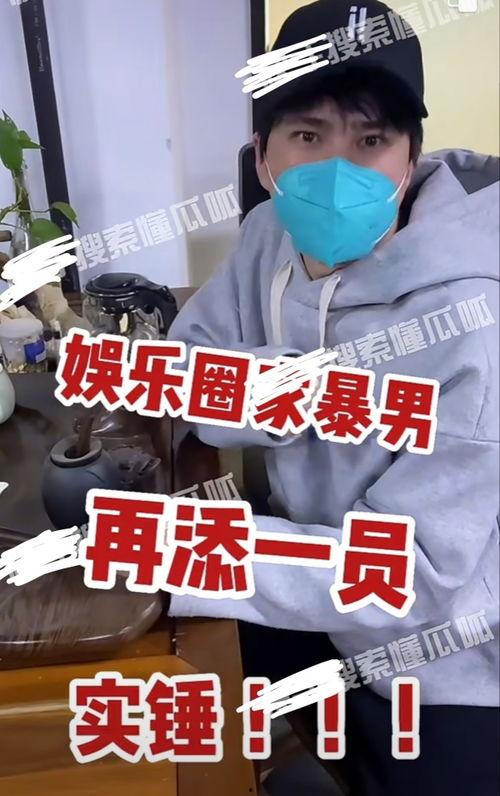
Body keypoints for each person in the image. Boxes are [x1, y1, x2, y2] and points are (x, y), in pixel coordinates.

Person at [167, 1, 500, 793]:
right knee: (153, 678)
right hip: (312, 581)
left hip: (441, 656)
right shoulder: (269, 235)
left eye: (371, 140)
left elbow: (413, 573)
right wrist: (306, 393)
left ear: (411, 157)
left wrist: (182, 551)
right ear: (263, 155)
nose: (339, 171)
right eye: (309, 136)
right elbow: (187, 369)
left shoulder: (471, 323)